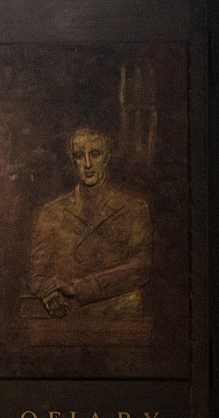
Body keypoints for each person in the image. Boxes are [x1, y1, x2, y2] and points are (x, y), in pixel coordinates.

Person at [28, 127, 153, 320]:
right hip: (67, 319)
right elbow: (37, 276)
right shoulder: (52, 212)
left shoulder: (134, 209)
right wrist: (49, 294)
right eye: (79, 156)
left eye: (95, 154)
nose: (87, 164)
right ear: (72, 161)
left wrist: (79, 287)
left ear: (107, 157)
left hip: (121, 320)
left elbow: (141, 268)